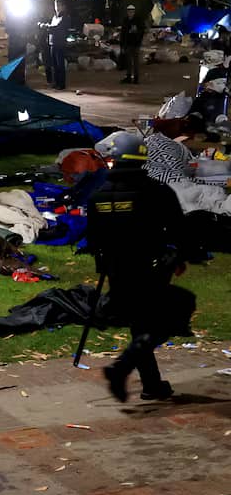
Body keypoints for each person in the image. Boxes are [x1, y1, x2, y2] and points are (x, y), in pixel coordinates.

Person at [93, 160, 196, 403]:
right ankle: (124, 367)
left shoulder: (99, 194)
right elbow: (178, 229)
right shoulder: (156, 190)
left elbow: (94, 237)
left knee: (141, 322)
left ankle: (150, 382)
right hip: (151, 265)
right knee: (177, 309)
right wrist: (180, 255)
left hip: (117, 267)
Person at [39, 0, 69, 90]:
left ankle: (61, 83)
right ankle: (56, 82)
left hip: (60, 43)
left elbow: (55, 28)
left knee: (60, 64)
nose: (57, 8)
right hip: (53, 43)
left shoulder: (65, 17)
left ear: (63, 6)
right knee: (54, 65)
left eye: (59, 5)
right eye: (56, 6)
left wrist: (44, 26)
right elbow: (51, 28)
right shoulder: (54, 17)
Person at [120, 3, 145, 84]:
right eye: (129, 11)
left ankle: (135, 78)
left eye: (131, 11)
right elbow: (123, 32)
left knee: (135, 61)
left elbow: (141, 31)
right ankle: (129, 76)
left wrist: (138, 38)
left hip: (135, 43)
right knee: (129, 61)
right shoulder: (126, 20)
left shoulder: (137, 20)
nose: (130, 13)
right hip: (128, 43)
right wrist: (123, 43)